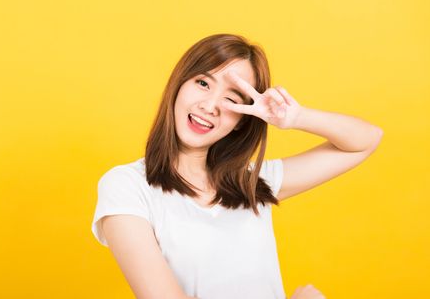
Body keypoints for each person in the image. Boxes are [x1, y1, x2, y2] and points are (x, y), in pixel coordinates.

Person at [91, 33, 383, 299]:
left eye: (231, 99)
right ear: (178, 86)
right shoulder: (127, 186)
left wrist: (295, 118)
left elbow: (366, 139)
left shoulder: (252, 183)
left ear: (241, 121)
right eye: (203, 83)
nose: (210, 105)